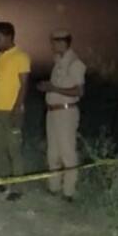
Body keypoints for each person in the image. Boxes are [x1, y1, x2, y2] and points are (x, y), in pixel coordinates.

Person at [37, 29, 86, 203]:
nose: (52, 46)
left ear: (62, 42)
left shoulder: (75, 63)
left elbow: (79, 91)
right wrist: (48, 88)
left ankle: (69, 191)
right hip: (53, 112)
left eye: (54, 42)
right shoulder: (58, 62)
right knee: (53, 152)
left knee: (67, 152)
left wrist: (53, 88)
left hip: (66, 112)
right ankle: (54, 187)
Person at [0, 22, 31, 201]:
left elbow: (24, 85)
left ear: (9, 37)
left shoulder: (21, 56)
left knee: (14, 149)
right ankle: (3, 181)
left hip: (11, 109)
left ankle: (18, 187)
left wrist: (17, 108)